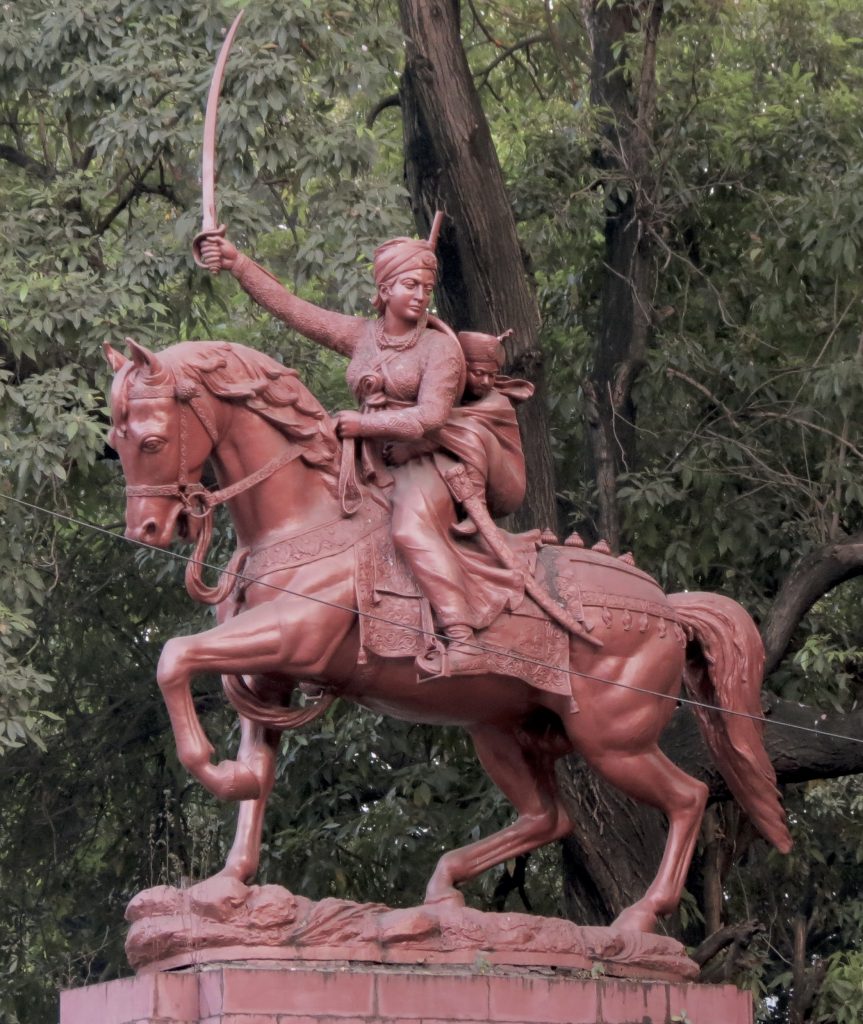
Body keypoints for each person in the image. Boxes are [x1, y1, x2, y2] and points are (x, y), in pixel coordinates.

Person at [198, 229, 526, 673]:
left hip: (427, 460)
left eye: (426, 288)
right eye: (410, 285)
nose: (421, 296)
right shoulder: (361, 335)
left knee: (409, 529)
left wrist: (362, 424)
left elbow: (430, 418)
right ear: (385, 289)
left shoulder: (440, 349)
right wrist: (236, 262)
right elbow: (293, 309)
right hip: (367, 461)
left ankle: (462, 635)